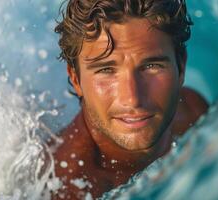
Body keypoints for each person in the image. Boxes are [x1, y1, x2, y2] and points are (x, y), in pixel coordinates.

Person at [51, 0, 208, 199]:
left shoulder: (191, 111)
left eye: (151, 66)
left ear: (181, 67)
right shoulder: (69, 188)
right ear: (76, 80)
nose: (132, 99)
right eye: (106, 70)